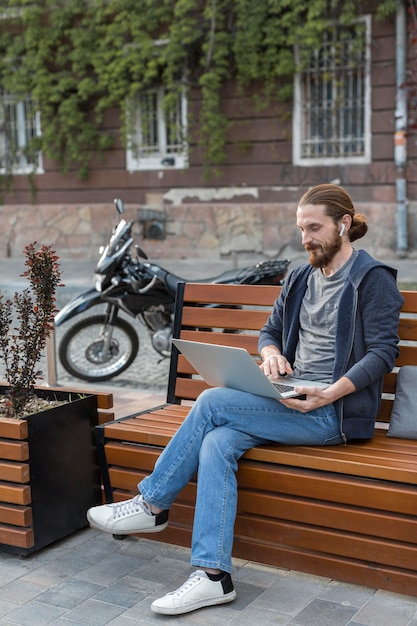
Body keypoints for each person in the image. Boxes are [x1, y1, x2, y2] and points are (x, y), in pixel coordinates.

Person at [87, 183, 404, 616]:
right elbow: (270, 332)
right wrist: (272, 356)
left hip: (332, 411)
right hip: (287, 399)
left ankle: (152, 504)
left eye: (314, 228)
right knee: (217, 442)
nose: (305, 238)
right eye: (300, 229)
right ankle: (214, 577)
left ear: (344, 225)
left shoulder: (373, 279)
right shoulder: (300, 276)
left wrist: (329, 392)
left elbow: (384, 353)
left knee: (214, 402)